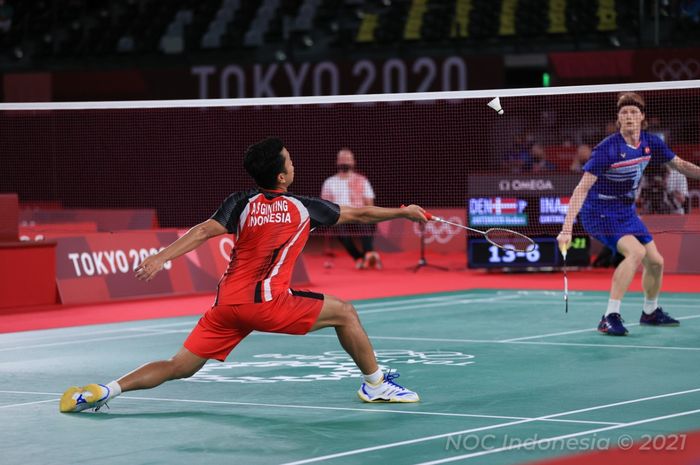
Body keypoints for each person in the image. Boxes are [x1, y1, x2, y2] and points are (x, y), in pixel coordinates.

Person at [60, 137, 427, 413]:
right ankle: (375, 385)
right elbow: (361, 215)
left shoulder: (240, 202)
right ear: (282, 175)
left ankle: (103, 391)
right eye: (290, 160)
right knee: (345, 312)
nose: (294, 162)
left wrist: (161, 257)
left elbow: (203, 231)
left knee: (178, 367)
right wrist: (404, 212)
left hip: (226, 306)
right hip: (268, 304)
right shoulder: (303, 208)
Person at [557, 92, 700, 336]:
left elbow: (681, 165)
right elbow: (581, 188)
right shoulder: (606, 149)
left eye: (634, 112)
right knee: (636, 252)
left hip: (625, 211)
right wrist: (566, 228)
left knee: (656, 262)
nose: (629, 116)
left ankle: (650, 312)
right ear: (618, 120)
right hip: (599, 212)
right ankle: (609, 316)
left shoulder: (651, 142)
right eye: (624, 113)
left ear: (642, 117)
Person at [321, 148, 381, 269]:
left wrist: (368, 214)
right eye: (342, 159)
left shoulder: (362, 180)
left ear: (353, 162)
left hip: (359, 213)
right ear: (337, 162)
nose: (345, 161)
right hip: (340, 215)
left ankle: (368, 254)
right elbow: (324, 204)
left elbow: (369, 202)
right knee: (340, 232)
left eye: (348, 159)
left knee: (366, 224)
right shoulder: (330, 182)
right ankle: (359, 257)